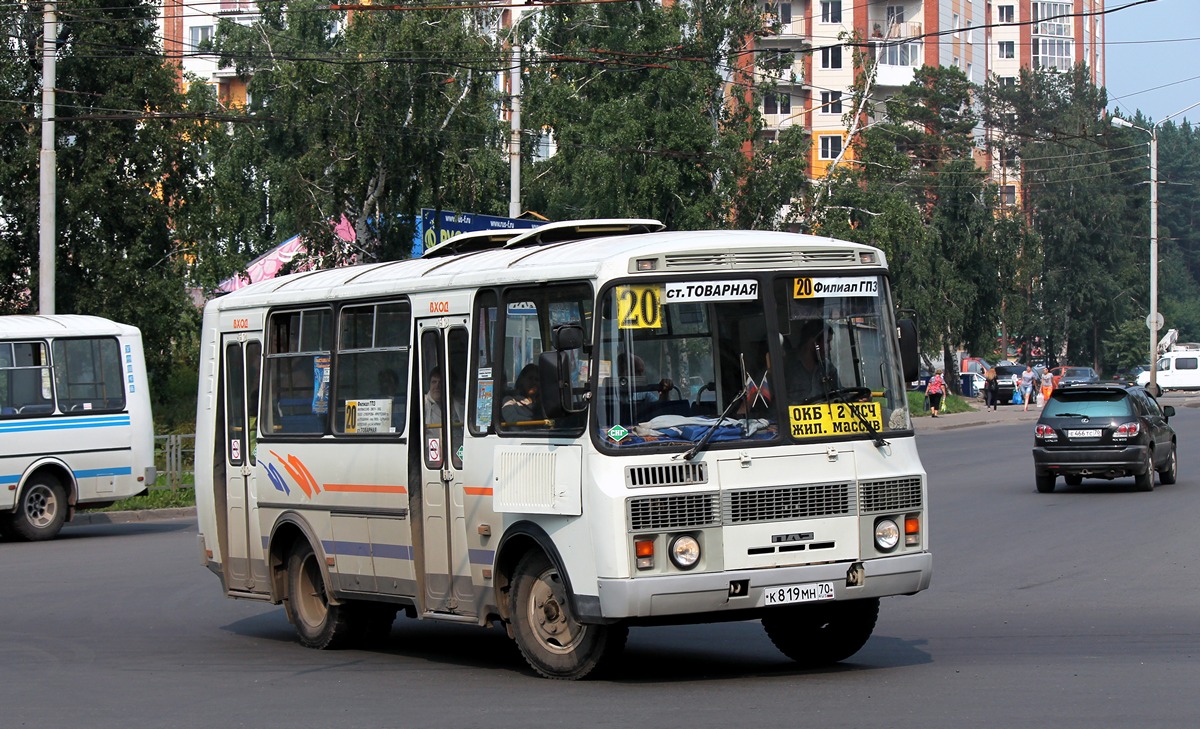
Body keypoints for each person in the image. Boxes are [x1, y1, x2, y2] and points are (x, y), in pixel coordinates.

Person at [782, 319, 841, 403]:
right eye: (827, 342)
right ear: (813, 343)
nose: (830, 348)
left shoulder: (828, 368)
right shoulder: (787, 368)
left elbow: (841, 395)